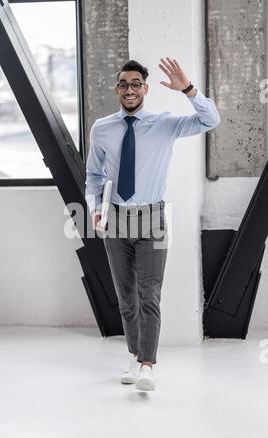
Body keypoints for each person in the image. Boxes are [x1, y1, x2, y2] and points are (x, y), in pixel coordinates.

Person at [85, 58, 220, 391]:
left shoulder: (164, 124)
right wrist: (94, 207)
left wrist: (188, 89)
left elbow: (210, 119)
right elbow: (93, 176)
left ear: (145, 88)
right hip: (115, 219)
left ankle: (148, 364)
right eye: (123, 84)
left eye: (135, 84)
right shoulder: (102, 128)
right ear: (117, 89)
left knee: (149, 295)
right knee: (126, 296)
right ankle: (134, 356)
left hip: (152, 219)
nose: (129, 90)